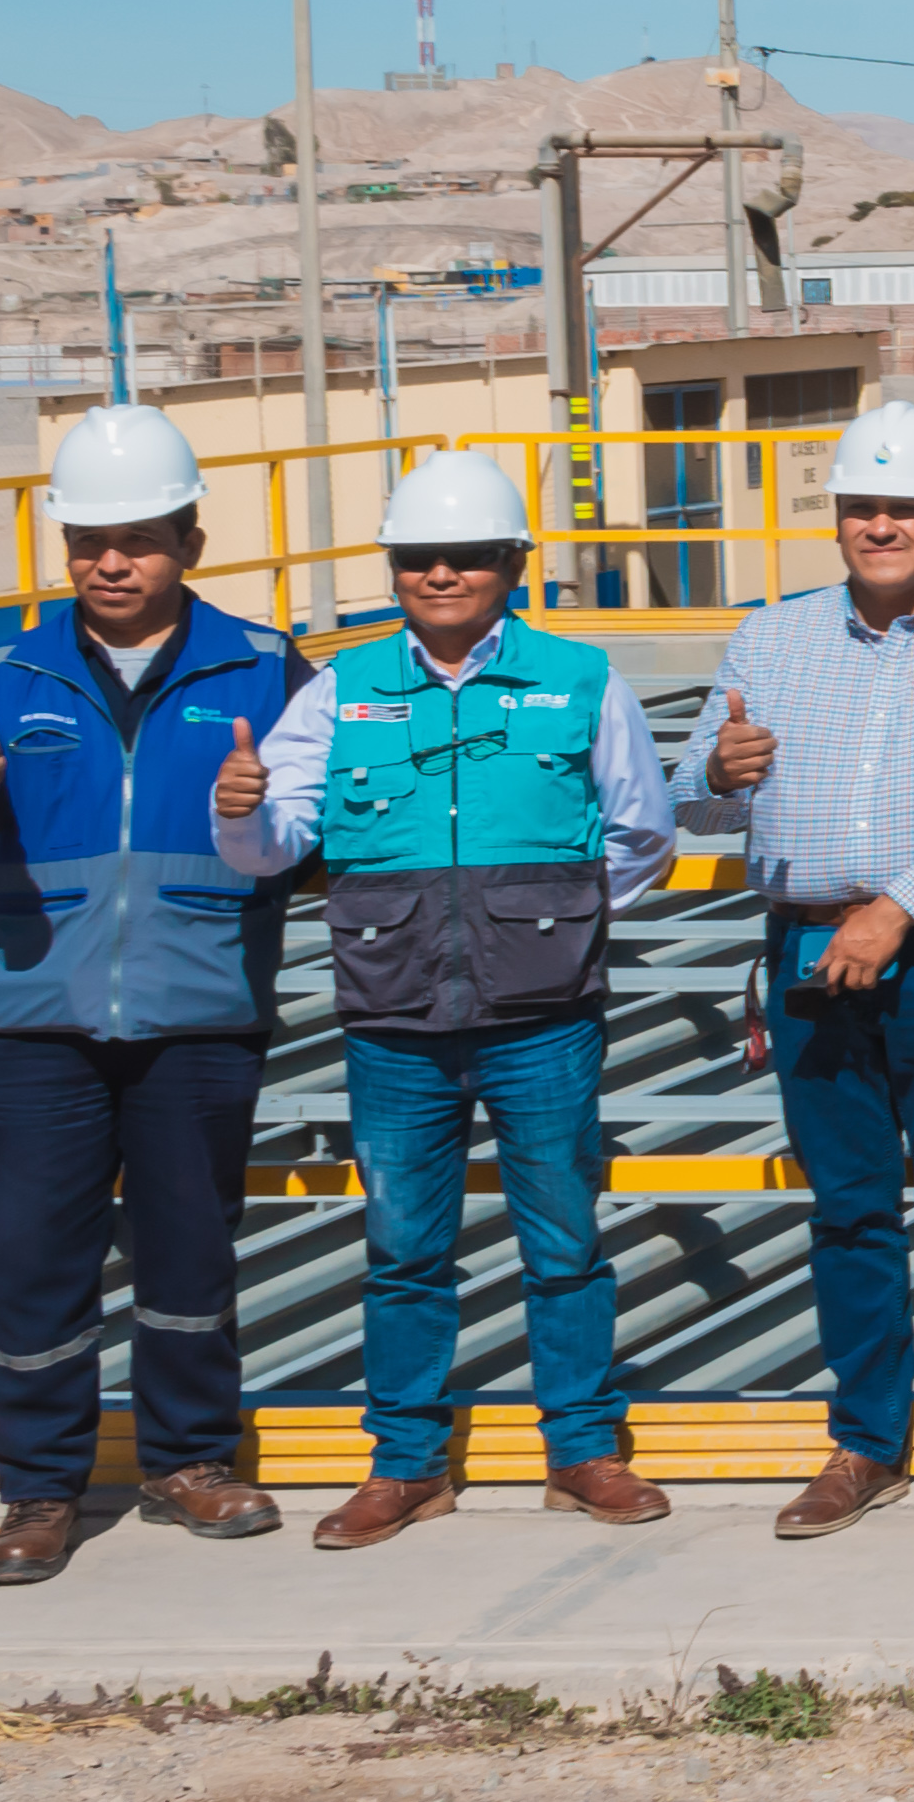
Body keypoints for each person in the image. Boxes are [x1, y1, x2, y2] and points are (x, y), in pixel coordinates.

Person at [217, 446, 681, 1547]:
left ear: (512, 565)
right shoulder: (340, 692)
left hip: (546, 1018)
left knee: (565, 1237)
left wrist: (548, 922)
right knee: (403, 1244)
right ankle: (407, 1462)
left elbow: (642, 830)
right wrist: (238, 810)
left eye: (466, 558)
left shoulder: (581, 682)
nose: (440, 575)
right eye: (418, 558)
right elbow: (273, 839)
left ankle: (582, 1448)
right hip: (395, 1021)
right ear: (392, 570)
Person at [0, 407, 308, 1586]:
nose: (111, 559)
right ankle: (39, 1492)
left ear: (190, 539)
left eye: (139, 537)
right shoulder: (4, 671)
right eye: (90, 537)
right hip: (32, 1019)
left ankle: (188, 1461)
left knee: (191, 1254)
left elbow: (310, 841)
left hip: (198, 1013)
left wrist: (256, 808)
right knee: (31, 1257)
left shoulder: (268, 667)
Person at [683, 399, 914, 1546]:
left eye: (903, 507)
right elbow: (694, 802)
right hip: (803, 945)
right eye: (860, 507)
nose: (879, 524)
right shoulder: (771, 638)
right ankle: (867, 1442)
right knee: (846, 1206)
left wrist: (895, 909)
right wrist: (716, 767)